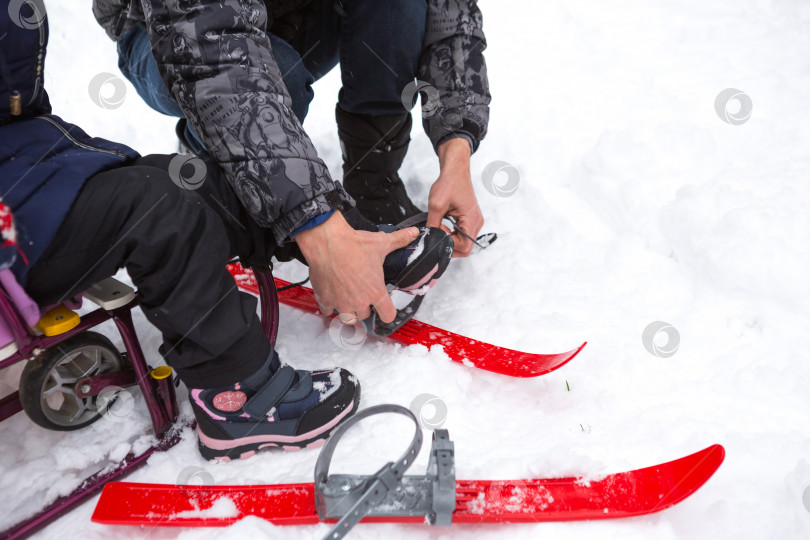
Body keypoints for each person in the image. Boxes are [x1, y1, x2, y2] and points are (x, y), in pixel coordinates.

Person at [0, 0, 450, 460]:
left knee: (192, 186)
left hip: (30, 169)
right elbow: (211, 47)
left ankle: (352, 241)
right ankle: (235, 394)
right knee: (161, 209)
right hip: (11, 231)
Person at [92, 0, 491, 269]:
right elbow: (214, 56)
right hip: (171, 32)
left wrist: (456, 153)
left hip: (294, 12)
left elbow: (449, 14)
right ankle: (219, 173)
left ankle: (374, 180)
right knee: (276, 78)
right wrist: (314, 222)